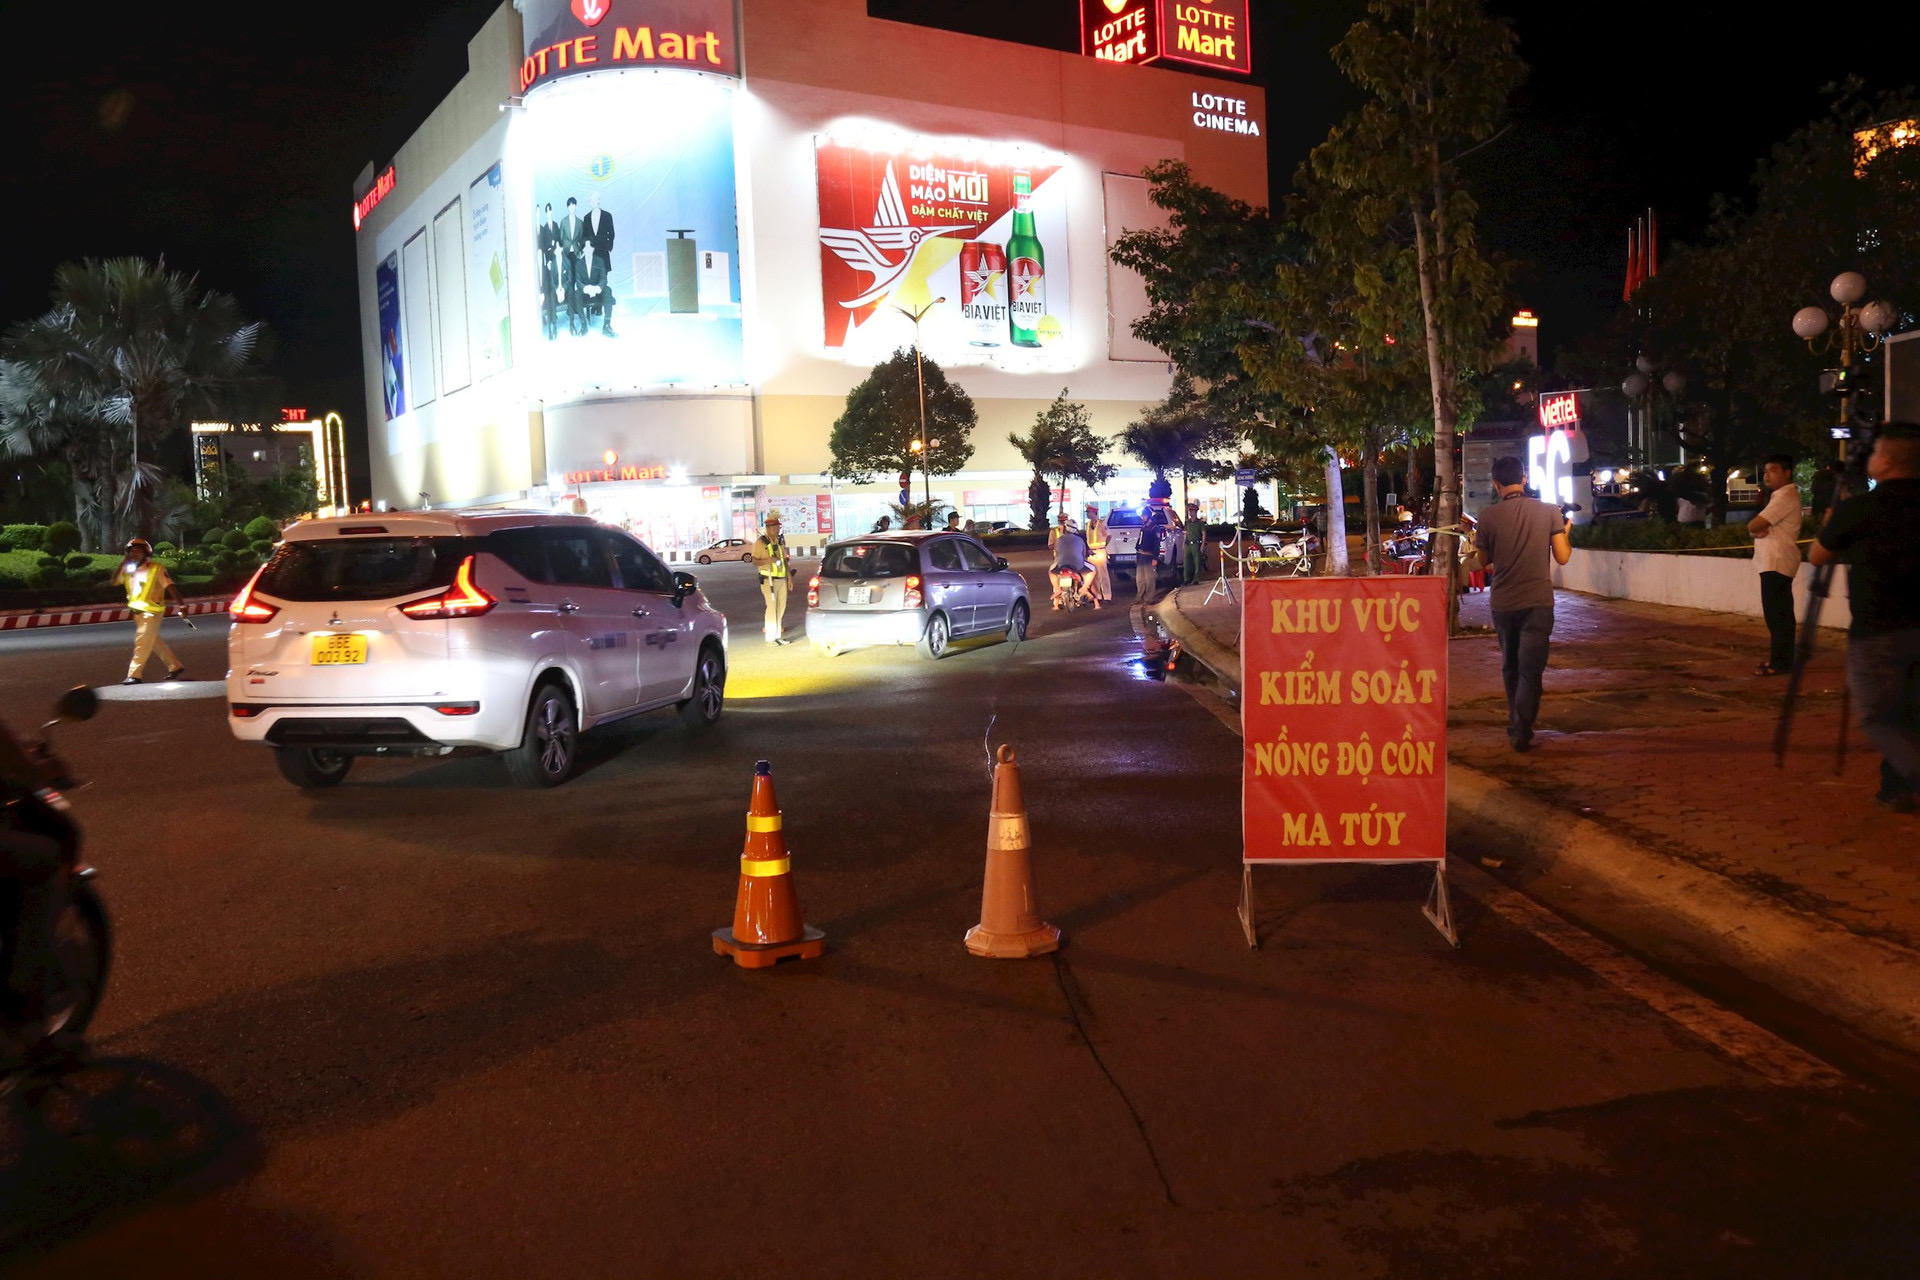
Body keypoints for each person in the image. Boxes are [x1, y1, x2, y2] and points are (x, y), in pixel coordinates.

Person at [1810, 422, 1920, 812]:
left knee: (1877, 716)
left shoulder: (1859, 509)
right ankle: (1895, 787)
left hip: (1878, 631)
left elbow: (1817, 555)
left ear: (1886, 460)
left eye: (1875, 451)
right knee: (1910, 713)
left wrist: (1832, 524)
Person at [1475, 454, 1572, 752]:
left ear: (1496, 483)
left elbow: (1483, 560)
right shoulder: (1550, 512)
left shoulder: (1487, 517)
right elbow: (1563, 556)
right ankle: (1521, 728)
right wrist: (1565, 532)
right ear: (1524, 479)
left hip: (1504, 603)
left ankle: (1516, 721)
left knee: (1511, 666)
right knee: (1531, 670)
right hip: (1538, 602)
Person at [1748, 453, 1803, 676]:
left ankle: (1780, 662)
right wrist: (1756, 528)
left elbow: (1755, 524)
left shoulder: (1784, 496)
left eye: (1773, 470)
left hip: (1777, 561)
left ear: (1787, 473)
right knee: (1778, 614)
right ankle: (1780, 659)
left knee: (1778, 615)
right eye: (1765, 471)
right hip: (1773, 561)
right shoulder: (1779, 496)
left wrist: (1754, 528)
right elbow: (1757, 526)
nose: (1767, 475)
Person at [111, 539, 186, 685]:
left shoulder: (156, 568)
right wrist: (124, 562)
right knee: (153, 642)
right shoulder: (129, 569)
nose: (134, 554)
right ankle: (175, 666)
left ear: (146, 553)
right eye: (131, 551)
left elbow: (170, 586)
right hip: (137, 613)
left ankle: (134, 675)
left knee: (142, 642)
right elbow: (114, 581)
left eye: (138, 551)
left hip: (152, 612)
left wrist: (182, 606)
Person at [751, 512, 793, 645]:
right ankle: (770, 638)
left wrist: (789, 577)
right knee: (772, 607)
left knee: (781, 607)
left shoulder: (779, 542)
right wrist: (768, 560)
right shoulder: (760, 542)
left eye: (778, 527)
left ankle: (777, 635)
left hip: (781, 579)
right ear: (768, 528)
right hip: (768, 580)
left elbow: (784, 561)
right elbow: (754, 561)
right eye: (775, 527)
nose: (777, 529)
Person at [582, 191, 616, 336]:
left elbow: (611, 234)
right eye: (591, 199)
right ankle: (596, 306)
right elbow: (584, 236)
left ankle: (601, 306)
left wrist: (607, 247)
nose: (593, 201)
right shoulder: (586, 218)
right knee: (593, 279)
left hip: (603, 253)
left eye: (595, 199)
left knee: (603, 280)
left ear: (599, 201)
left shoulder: (607, 216)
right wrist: (587, 248)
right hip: (592, 254)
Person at [558, 197, 588, 336]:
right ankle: (570, 311)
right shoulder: (563, 222)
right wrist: (563, 250)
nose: (572, 208)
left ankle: (577, 308)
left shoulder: (580, 223)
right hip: (566, 254)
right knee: (568, 282)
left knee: (576, 280)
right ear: (567, 207)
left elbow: (581, 239)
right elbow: (561, 238)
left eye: (574, 205)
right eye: (570, 205)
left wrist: (580, 251)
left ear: (576, 207)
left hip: (576, 254)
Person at [1049, 520, 1094, 609]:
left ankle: (1057, 589)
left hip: (1061, 564)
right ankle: (1084, 588)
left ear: (1065, 528)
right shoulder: (1080, 539)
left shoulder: (1059, 539)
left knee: (1051, 572)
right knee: (1093, 570)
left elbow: (1056, 552)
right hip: (1077, 565)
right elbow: (1084, 553)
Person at [1082, 504, 1112, 604]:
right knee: (1093, 575)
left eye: (1088, 512)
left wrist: (1104, 546)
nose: (1087, 514)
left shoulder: (1102, 523)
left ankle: (1107, 596)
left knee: (1103, 575)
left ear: (1094, 513)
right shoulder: (1087, 525)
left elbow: (1109, 536)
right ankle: (1097, 596)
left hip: (1100, 551)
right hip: (1091, 553)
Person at [1136, 509, 1166, 606]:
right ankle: (1140, 597)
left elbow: (1157, 544)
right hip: (1141, 555)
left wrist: (1155, 558)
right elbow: (1140, 541)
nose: (1142, 517)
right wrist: (1137, 552)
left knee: (1149, 579)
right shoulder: (1144, 527)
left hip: (1149, 556)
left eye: (1144, 516)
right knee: (1140, 579)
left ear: (1148, 516)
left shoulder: (1154, 528)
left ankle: (1149, 598)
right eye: (1142, 516)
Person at [1811, 459, 1845, 523]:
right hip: (1831, 509)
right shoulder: (1838, 479)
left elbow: (1813, 489)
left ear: (1828, 467)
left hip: (1817, 507)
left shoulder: (1819, 476)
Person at [1182, 501, 1208, 584]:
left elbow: (1203, 534)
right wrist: (1183, 544)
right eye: (1189, 511)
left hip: (1196, 544)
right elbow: (1186, 533)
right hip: (1188, 544)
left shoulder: (1200, 523)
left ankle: (1196, 579)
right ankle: (1187, 579)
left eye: (1192, 511)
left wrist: (1202, 545)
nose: (1190, 512)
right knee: (1187, 562)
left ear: (1195, 511)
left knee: (1197, 562)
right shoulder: (1187, 522)